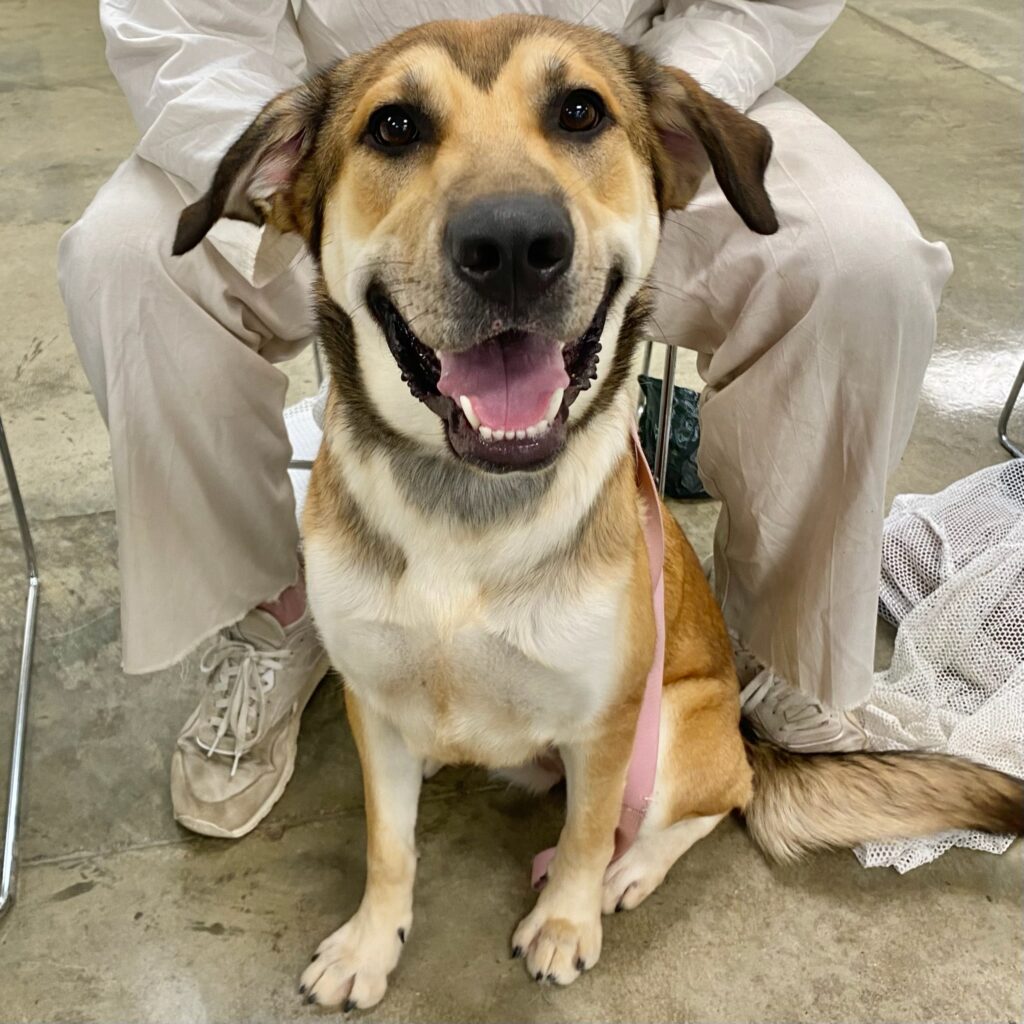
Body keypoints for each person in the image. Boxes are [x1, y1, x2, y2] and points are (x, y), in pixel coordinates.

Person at [58, 0, 953, 839]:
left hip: (622, 99)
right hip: (351, 129)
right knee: (124, 261)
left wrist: (630, 110)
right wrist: (323, 168)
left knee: (861, 261)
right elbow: (183, 25)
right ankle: (273, 611)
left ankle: (779, 648)